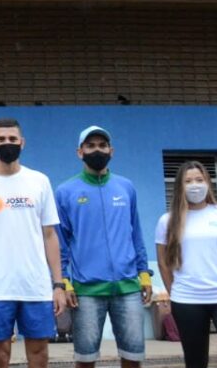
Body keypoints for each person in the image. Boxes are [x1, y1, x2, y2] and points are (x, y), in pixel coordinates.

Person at [0, 118, 66, 368]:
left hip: (36, 284)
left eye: (12, 139)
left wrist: (58, 284)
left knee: (39, 351)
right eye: (1, 139)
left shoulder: (39, 181)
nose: (7, 144)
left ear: (22, 142)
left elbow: (50, 235)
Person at [55, 126, 151, 368]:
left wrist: (144, 275)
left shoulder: (126, 187)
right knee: (85, 360)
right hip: (86, 291)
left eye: (102, 145)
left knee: (133, 357)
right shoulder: (66, 192)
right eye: (90, 146)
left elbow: (136, 232)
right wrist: (64, 281)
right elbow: (60, 243)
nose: (97, 150)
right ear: (80, 152)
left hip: (128, 287)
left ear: (111, 151)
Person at [155, 160, 217, 368]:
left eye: (199, 180)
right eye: (188, 181)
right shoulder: (167, 220)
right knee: (196, 362)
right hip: (187, 300)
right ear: (179, 187)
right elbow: (164, 263)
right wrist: (174, 292)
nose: (195, 185)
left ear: (208, 183)